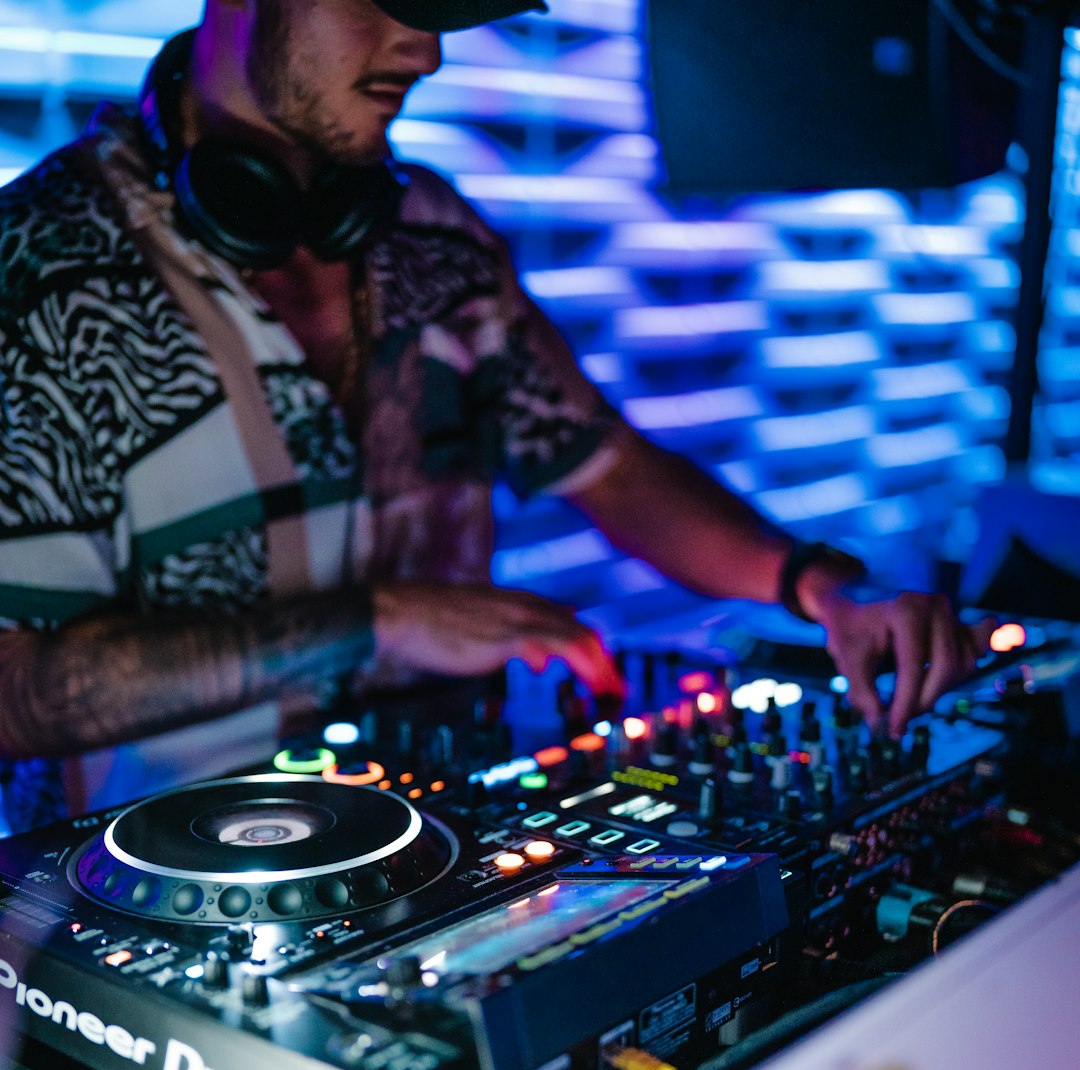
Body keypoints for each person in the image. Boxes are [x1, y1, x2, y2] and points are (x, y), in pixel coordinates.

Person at [0, 0, 993, 832]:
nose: (425, 52)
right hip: (141, 896)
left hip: (437, 842)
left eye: (447, 16)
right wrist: (376, 623)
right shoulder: (39, 274)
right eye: (393, 0)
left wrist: (820, 591)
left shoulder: (430, 232)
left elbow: (603, 464)